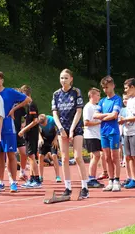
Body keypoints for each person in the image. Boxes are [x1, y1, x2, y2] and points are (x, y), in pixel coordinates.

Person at [52, 68, 89, 198]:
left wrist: (72, 129)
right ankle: (67, 187)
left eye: (66, 78)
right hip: (62, 128)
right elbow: (55, 113)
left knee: (78, 156)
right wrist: (61, 129)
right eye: (62, 78)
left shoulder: (76, 92)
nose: (63, 80)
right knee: (65, 158)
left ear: (71, 79)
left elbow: (79, 111)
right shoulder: (56, 94)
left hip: (76, 127)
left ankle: (85, 186)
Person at [0, 71, 31, 193]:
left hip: (8, 127)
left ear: (2, 80)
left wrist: (14, 108)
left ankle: (13, 182)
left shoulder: (9, 92)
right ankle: (0, 182)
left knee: (10, 154)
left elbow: (27, 99)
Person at [94, 76, 122, 192]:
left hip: (113, 131)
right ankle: (110, 180)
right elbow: (95, 115)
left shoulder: (117, 99)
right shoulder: (102, 101)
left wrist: (103, 116)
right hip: (103, 132)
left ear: (113, 86)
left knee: (115, 156)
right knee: (106, 157)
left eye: (107, 87)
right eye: (104, 87)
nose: (105, 89)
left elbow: (114, 115)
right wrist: (107, 115)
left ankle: (117, 180)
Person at [17, 85, 42, 188]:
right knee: (30, 156)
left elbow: (35, 121)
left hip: (32, 134)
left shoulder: (31, 105)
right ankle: (32, 178)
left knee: (31, 157)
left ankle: (36, 179)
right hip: (28, 134)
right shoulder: (27, 106)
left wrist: (23, 129)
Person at [83, 88, 104, 188]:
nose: (99, 97)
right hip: (90, 135)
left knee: (94, 156)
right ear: (92, 95)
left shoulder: (96, 106)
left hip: (96, 135)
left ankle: (92, 177)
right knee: (96, 156)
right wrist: (99, 122)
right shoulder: (88, 107)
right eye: (98, 95)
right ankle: (91, 178)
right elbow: (86, 122)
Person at [37, 114, 61, 182]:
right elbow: (37, 130)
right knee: (40, 156)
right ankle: (40, 176)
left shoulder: (52, 119)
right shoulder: (38, 121)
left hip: (52, 140)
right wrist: (40, 138)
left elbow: (58, 129)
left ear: (46, 120)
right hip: (44, 140)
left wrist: (55, 139)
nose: (43, 125)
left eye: (44, 123)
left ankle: (58, 176)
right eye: (41, 124)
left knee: (54, 156)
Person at [13, 88, 28, 181]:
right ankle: (12, 177)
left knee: (24, 153)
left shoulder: (21, 107)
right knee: (11, 154)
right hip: (9, 132)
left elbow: (27, 117)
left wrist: (24, 124)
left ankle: (22, 171)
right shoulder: (7, 105)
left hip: (18, 133)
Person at [119, 94, 132, 186]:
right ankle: (129, 177)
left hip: (134, 134)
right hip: (124, 135)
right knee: (126, 157)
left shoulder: (133, 109)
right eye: (124, 99)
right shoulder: (122, 110)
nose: (125, 100)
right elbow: (119, 121)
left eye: (126, 99)